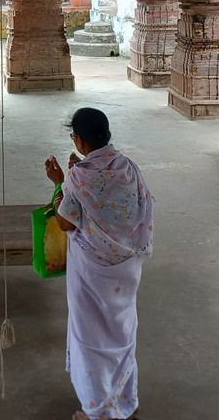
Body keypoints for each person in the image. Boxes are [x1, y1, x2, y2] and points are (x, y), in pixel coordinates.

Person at [44, 107, 154, 420]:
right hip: (125, 270)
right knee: (120, 335)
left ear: (79, 141)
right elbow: (136, 207)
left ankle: (97, 412)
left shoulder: (79, 177)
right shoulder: (127, 167)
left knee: (91, 339)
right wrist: (77, 181)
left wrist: (60, 183)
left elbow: (66, 223)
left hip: (91, 272)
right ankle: (124, 404)